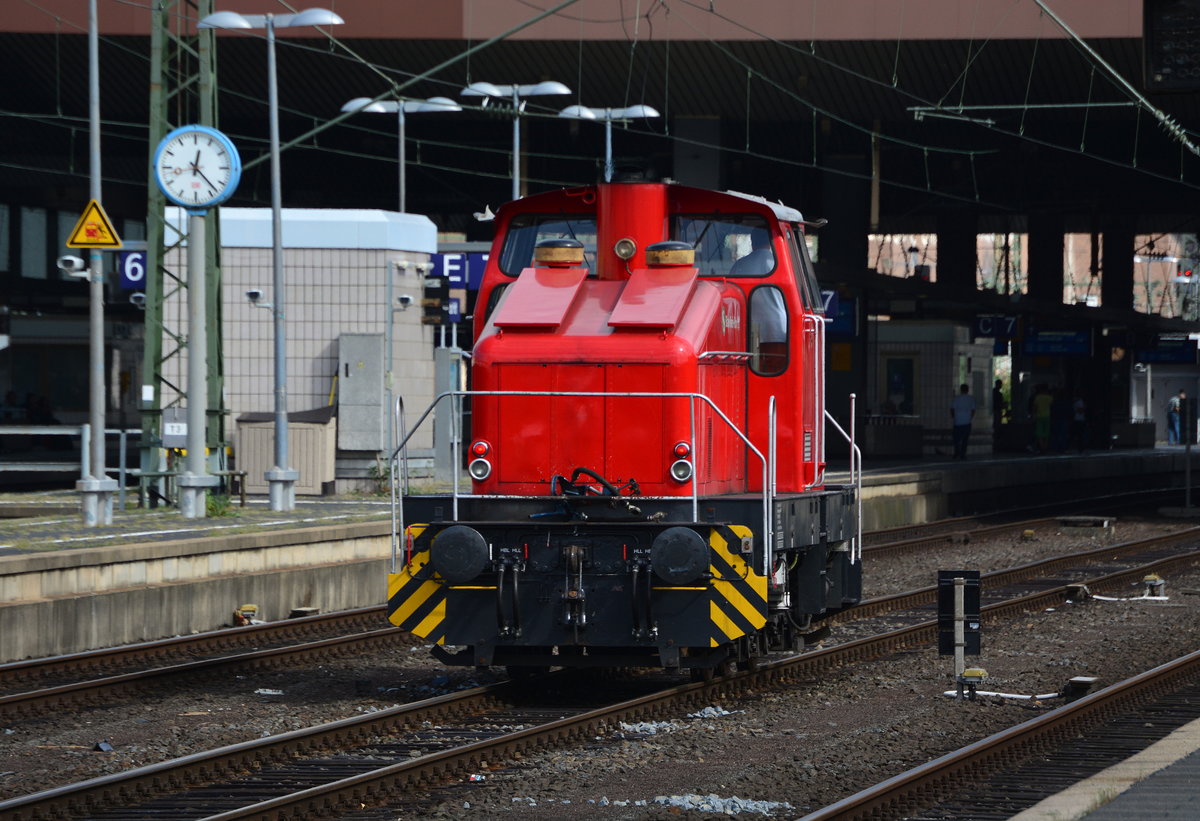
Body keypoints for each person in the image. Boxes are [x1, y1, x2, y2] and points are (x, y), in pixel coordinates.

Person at [950, 383, 976, 459]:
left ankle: (956, 453)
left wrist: (953, 417)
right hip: (967, 422)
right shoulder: (971, 399)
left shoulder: (956, 398)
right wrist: (970, 418)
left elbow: (952, 409)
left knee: (956, 439)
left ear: (961, 390)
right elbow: (973, 410)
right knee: (965, 440)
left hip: (957, 422)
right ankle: (963, 454)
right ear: (967, 390)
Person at [1031, 384, 1053, 453]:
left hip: (1039, 416)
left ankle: (1042, 447)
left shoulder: (1038, 397)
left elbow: (1034, 407)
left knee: (1039, 433)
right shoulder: (1050, 398)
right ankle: (1045, 447)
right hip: (1047, 416)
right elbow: (1052, 407)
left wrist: (1033, 415)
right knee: (1046, 433)